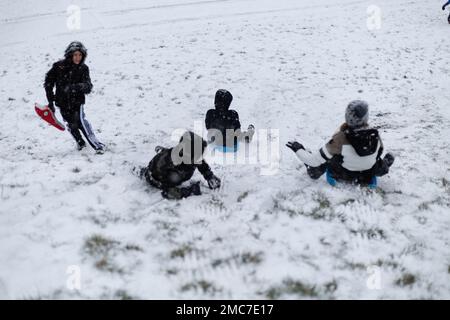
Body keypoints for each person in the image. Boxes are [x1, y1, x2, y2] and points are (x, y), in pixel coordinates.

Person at [286, 100, 395, 188]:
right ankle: (385, 164)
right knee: (378, 163)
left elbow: (314, 161)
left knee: (324, 162)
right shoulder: (375, 136)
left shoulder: (340, 139)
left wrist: (298, 149)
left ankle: (313, 170)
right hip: (365, 176)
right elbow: (378, 154)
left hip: (344, 175)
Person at [44, 41, 105, 153]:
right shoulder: (59, 67)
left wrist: (74, 87)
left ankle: (97, 146)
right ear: (70, 54)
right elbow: (48, 82)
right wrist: (51, 101)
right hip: (62, 102)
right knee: (71, 125)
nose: (78, 58)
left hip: (77, 102)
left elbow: (88, 86)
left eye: (80, 55)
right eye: (75, 55)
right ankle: (81, 144)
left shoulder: (84, 68)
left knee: (81, 122)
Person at [140, 131, 221, 200]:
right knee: (152, 172)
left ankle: (164, 151)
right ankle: (161, 154)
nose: (200, 158)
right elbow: (169, 193)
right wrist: (190, 191)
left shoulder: (190, 157)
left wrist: (209, 175)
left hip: (176, 157)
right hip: (155, 177)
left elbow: (199, 161)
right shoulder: (170, 167)